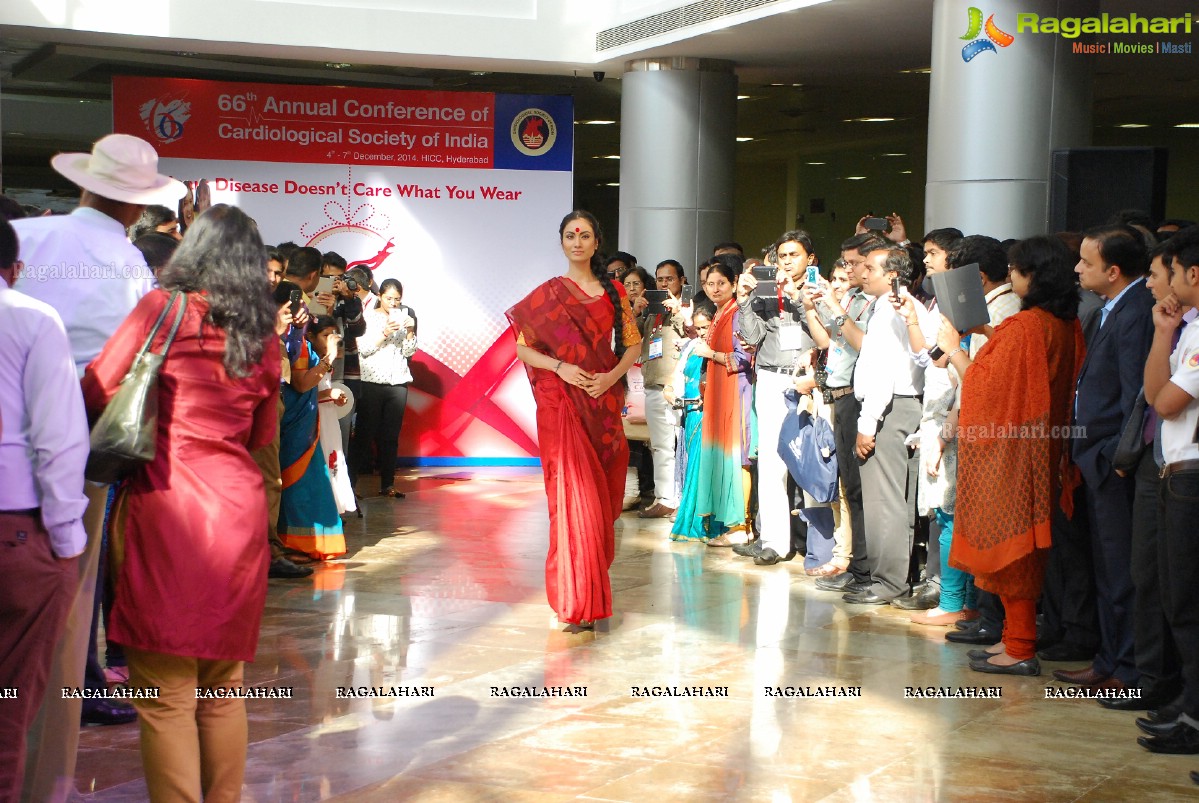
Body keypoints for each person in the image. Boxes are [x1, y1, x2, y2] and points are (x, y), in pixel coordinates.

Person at [80, 204, 281, 801]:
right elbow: (262, 438)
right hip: (237, 512)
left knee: (165, 697)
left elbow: (97, 387)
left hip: (169, 504)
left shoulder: (160, 309)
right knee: (223, 690)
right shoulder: (263, 336)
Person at [13, 134, 184, 794]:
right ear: (138, 207)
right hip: (86, 417)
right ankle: (75, 678)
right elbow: (133, 359)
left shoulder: (27, 234)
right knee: (78, 559)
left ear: (85, 184)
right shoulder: (132, 265)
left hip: (8, 410)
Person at [940, 235, 1086, 676]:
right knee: (1021, 550)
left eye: (1016, 269)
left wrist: (952, 350)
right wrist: (986, 333)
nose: (1011, 275)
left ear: (1033, 276)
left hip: (1013, 454)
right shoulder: (1062, 321)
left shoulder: (1028, 325)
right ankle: (1013, 640)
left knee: (1012, 550)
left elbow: (985, 388)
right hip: (1041, 448)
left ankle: (1020, 646)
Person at [507, 210, 641, 630]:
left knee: (602, 504)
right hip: (562, 404)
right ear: (561, 242)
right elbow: (522, 349)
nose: (577, 242)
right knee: (569, 500)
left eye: (585, 235)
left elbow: (633, 348)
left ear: (596, 242)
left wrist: (609, 379)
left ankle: (589, 586)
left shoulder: (614, 291)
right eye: (570, 235)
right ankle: (573, 599)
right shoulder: (549, 294)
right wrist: (561, 369)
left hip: (603, 407)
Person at [0, 217, 89, 802]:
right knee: (8, 703)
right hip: (16, 532)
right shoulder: (30, 318)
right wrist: (67, 539)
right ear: (15, 268)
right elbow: (58, 438)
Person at [1056, 225, 1154, 691]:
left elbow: (1138, 394)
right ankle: (1110, 658)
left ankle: (1128, 669)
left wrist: (1119, 455)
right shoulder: (1113, 308)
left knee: (1121, 574)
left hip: (1115, 462)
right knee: (1106, 570)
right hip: (1096, 457)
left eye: (1086, 263)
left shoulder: (1136, 311)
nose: (1077, 269)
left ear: (1113, 271)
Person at [1137, 226, 1199, 755]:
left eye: (1169, 272)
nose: (1164, 284)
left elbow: (1168, 404)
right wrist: (1162, 334)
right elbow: (1155, 391)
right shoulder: (1188, 328)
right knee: (1176, 597)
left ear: (1192, 274)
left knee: (1187, 601)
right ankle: (1188, 705)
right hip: (1176, 473)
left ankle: (1194, 717)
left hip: (1192, 476)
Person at [670, 255, 754, 544]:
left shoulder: (736, 313)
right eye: (709, 284)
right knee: (721, 455)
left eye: (721, 283)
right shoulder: (719, 313)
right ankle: (726, 524)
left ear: (734, 283)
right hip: (718, 389)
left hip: (735, 390)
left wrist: (712, 355)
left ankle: (739, 527)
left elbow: (744, 359)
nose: (715, 289)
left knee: (735, 456)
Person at [278, 305, 348, 561]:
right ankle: (298, 545)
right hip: (295, 427)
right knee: (301, 485)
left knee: (310, 484)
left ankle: (306, 543)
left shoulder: (300, 344)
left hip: (305, 422)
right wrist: (329, 356)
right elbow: (301, 383)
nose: (332, 339)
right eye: (326, 334)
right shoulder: (299, 346)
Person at [354, 278, 418, 498]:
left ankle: (388, 484)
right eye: (389, 298)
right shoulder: (368, 317)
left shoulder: (405, 317)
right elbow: (363, 349)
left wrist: (410, 331)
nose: (393, 303)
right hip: (372, 381)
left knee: (390, 436)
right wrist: (384, 333)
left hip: (398, 382)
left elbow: (409, 352)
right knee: (364, 434)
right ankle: (351, 487)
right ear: (380, 296)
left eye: (397, 299)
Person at [636, 260, 689, 519]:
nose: (664, 284)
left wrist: (678, 310)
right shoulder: (652, 311)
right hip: (653, 382)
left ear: (682, 280)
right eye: (660, 279)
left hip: (678, 386)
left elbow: (691, 332)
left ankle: (680, 500)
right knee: (660, 445)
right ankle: (665, 497)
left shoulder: (688, 307)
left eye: (669, 279)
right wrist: (636, 311)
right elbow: (631, 339)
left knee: (682, 445)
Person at [306, 316, 356, 515]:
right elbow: (304, 392)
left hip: (328, 418)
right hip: (314, 420)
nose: (331, 339)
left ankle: (333, 510)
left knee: (333, 458)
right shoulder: (310, 360)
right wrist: (327, 394)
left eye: (333, 335)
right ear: (310, 336)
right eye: (325, 335)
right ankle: (322, 511)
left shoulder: (324, 359)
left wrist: (334, 396)